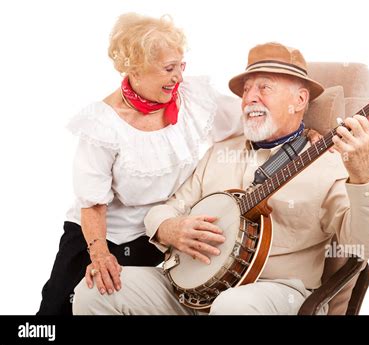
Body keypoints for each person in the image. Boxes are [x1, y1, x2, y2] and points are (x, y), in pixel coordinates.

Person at [72, 42, 369, 315]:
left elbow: (368, 244)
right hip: (194, 289)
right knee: (93, 292)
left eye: (264, 87)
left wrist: (364, 173)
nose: (250, 97)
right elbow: (166, 209)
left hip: (278, 293)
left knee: (232, 306)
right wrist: (169, 228)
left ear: (300, 101)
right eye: (247, 89)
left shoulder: (332, 163)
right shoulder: (219, 152)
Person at [37, 12, 243, 315]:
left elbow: (249, 119)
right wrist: (101, 255)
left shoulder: (192, 99)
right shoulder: (102, 125)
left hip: (159, 228)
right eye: (169, 68)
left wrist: (304, 128)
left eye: (181, 66)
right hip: (100, 232)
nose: (179, 77)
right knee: (58, 307)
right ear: (136, 68)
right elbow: (93, 204)